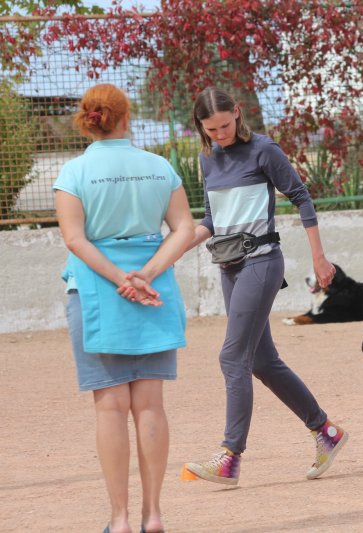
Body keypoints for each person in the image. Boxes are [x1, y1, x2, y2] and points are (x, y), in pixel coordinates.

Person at [181, 86, 348, 485]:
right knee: (260, 361)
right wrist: (168, 250)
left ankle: (230, 456)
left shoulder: (263, 150)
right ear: (201, 128)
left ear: (237, 113)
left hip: (261, 262)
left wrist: (319, 257)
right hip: (230, 266)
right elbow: (210, 219)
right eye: (212, 129)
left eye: (225, 125)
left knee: (231, 356)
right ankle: (326, 432)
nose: (220, 134)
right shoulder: (208, 158)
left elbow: (301, 197)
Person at [54, 83, 195, 533]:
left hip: (98, 290)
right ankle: (153, 516)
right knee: (150, 403)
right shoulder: (159, 167)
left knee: (110, 406)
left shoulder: (74, 172)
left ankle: (120, 520)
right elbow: (184, 228)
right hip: (154, 291)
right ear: (126, 117)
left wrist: (120, 279)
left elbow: (75, 239)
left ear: (88, 118)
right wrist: (147, 274)